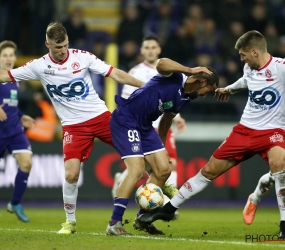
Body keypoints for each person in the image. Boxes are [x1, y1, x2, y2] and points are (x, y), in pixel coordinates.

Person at [0, 21, 144, 234]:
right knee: (71, 174)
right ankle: (70, 222)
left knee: (138, 158)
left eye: (65, 45)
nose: (62, 51)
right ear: (47, 44)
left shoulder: (83, 57)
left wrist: (144, 86)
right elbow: (4, 75)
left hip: (101, 117)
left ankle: (156, 190)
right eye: (57, 47)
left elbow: (115, 73)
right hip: (73, 126)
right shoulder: (39, 66)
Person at [137, 30, 285, 239]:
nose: (241, 59)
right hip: (245, 130)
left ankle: (284, 225)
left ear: (254, 52)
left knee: (280, 167)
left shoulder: (280, 68)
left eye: (243, 55)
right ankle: (168, 209)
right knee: (208, 171)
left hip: (274, 130)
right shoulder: (249, 67)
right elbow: (246, 80)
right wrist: (229, 89)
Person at [106, 57, 219, 236]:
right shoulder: (175, 77)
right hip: (126, 119)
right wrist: (190, 70)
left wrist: (162, 147)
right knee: (136, 170)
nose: (205, 95)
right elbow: (161, 63)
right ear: (202, 80)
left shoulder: (185, 99)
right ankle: (115, 223)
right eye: (208, 91)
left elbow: (166, 121)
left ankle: (142, 219)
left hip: (146, 127)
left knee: (163, 170)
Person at [112, 34, 186, 200]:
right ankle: (162, 201)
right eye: (147, 48)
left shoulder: (170, 72)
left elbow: (173, 97)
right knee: (149, 166)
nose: (151, 51)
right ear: (142, 50)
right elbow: (128, 101)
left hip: (163, 123)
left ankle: (162, 202)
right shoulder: (135, 72)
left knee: (168, 164)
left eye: (153, 47)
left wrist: (178, 116)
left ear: (159, 49)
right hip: (143, 126)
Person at [0, 40, 34, 222]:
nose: (8, 59)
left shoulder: (16, 79)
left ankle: (14, 203)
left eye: (11, 55)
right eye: (4, 55)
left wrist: (21, 116)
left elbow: (11, 104)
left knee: (27, 164)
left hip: (15, 131)